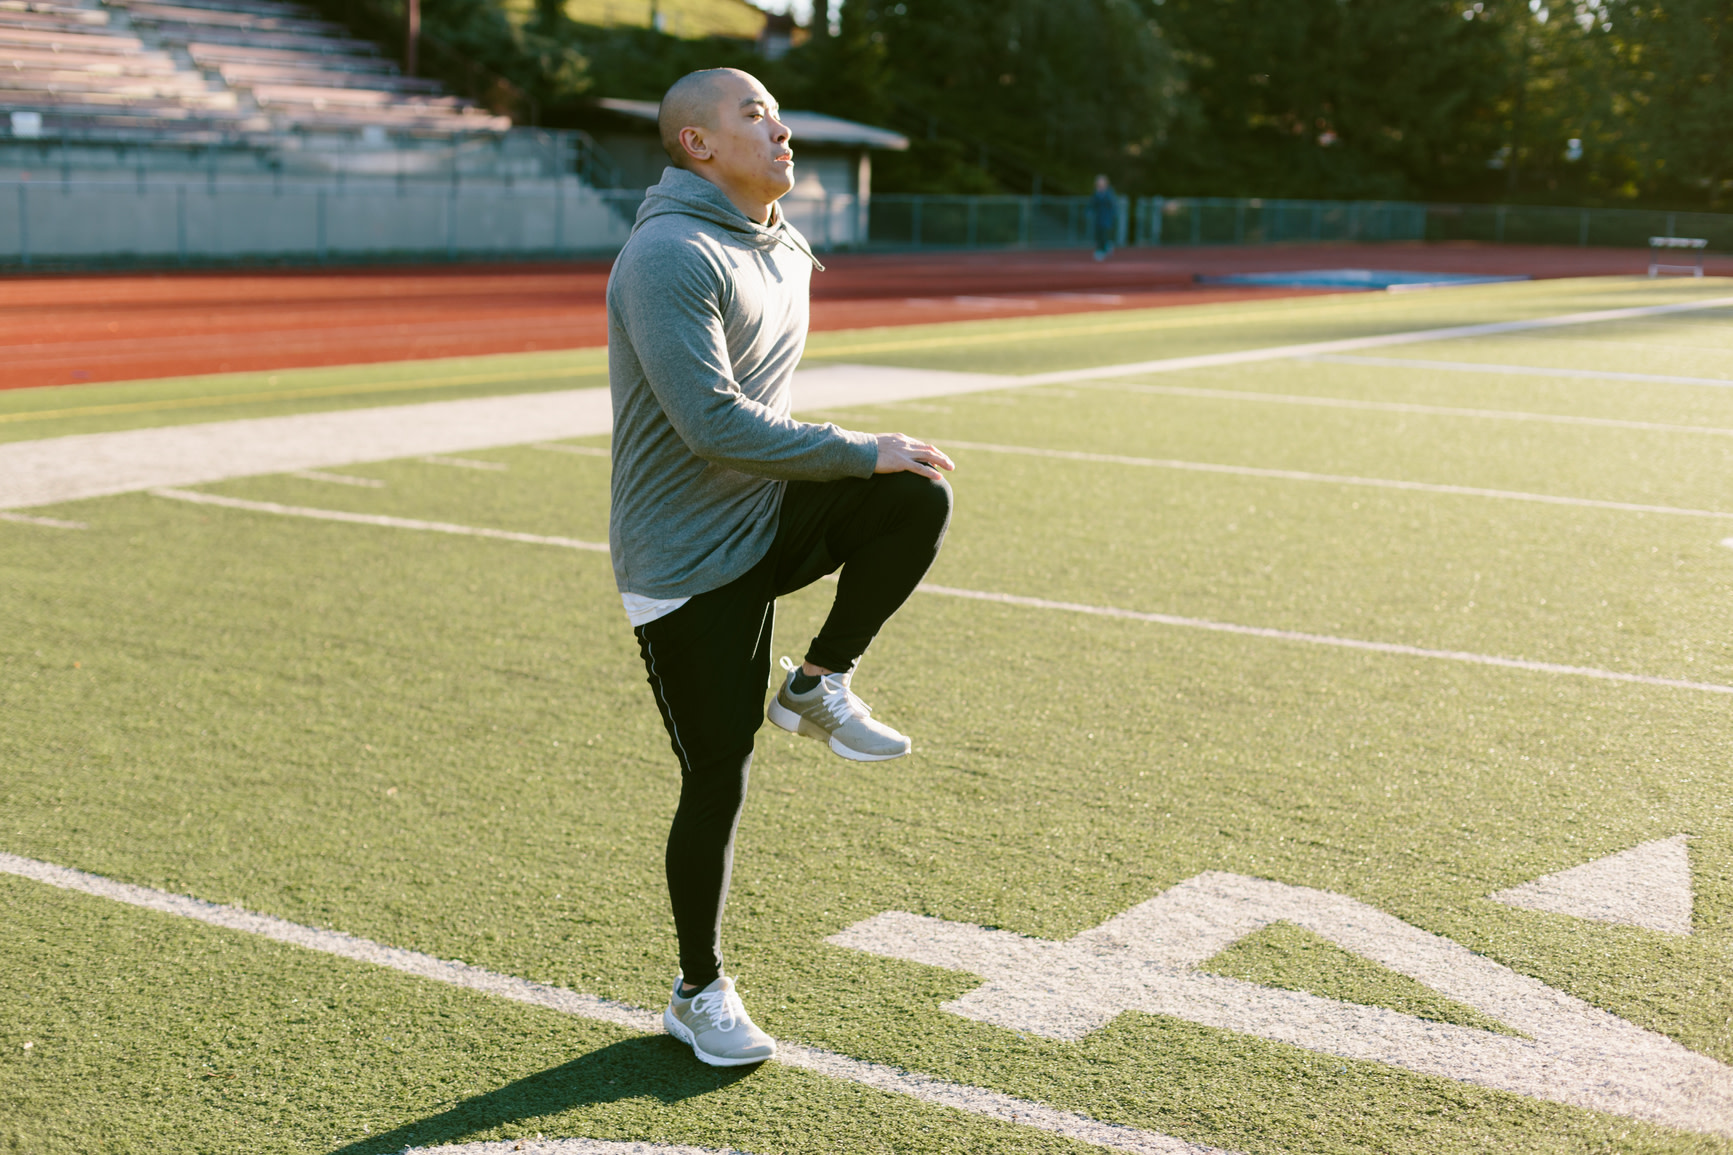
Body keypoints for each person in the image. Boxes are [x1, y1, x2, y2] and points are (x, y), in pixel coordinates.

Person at [605, 68, 956, 1068]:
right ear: (696, 147)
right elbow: (711, 426)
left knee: (913, 492)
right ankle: (698, 991)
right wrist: (854, 447)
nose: (781, 127)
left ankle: (815, 684)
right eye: (752, 113)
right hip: (685, 558)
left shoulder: (779, 244)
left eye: (776, 110)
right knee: (717, 774)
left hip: (761, 515)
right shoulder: (666, 255)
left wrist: (863, 463)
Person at [1091, 174, 1118, 261]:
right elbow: (1092, 204)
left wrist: (1113, 216)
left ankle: (1102, 250)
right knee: (1098, 234)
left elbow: (1112, 205)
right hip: (1099, 218)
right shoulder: (1096, 193)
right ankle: (1105, 247)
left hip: (1107, 218)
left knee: (1104, 234)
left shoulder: (1109, 193)